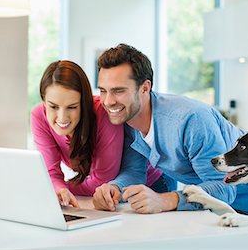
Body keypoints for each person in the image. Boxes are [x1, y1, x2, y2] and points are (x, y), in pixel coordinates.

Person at [92, 44, 248, 214]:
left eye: (118, 91)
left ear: (145, 88)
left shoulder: (191, 120)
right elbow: (134, 170)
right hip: (220, 209)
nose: (107, 101)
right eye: (103, 91)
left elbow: (224, 187)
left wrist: (165, 200)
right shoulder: (129, 119)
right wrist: (114, 188)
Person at [31, 60, 174, 208]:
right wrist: (59, 189)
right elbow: (51, 172)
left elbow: (102, 180)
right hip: (109, 192)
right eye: (53, 106)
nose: (62, 117)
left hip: (151, 185)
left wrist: (60, 187)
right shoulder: (39, 116)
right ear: (43, 100)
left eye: (72, 107)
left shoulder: (103, 114)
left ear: (84, 102)